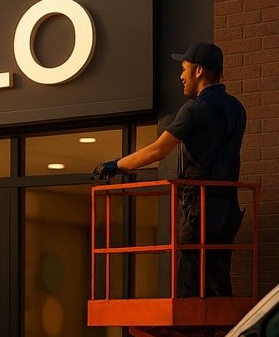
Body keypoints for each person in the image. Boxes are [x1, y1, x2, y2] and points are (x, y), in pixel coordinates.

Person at [94, 42, 247, 297]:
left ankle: (191, 330)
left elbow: (158, 150)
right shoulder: (236, 108)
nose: (181, 76)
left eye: (184, 68)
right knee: (217, 276)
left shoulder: (195, 109)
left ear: (199, 71)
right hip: (228, 204)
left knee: (189, 278)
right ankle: (221, 332)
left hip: (201, 204)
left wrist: (115, 165)